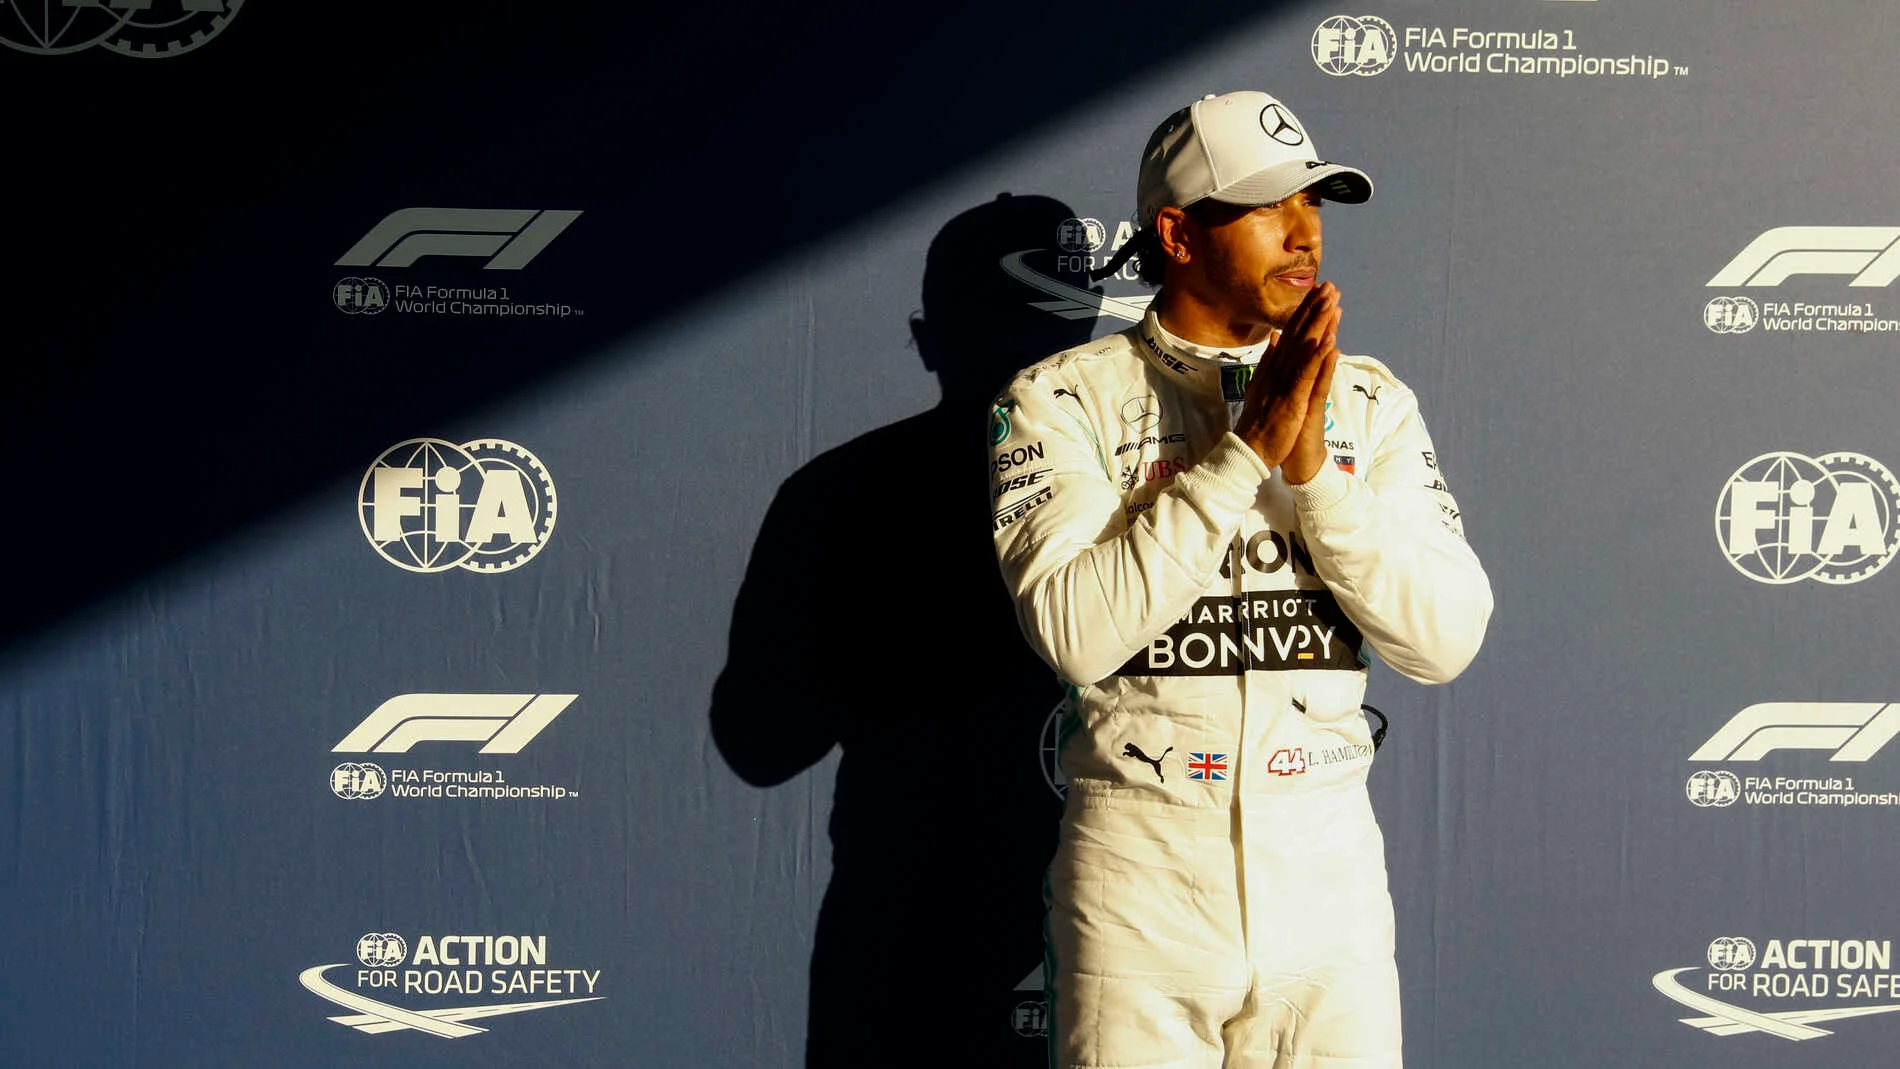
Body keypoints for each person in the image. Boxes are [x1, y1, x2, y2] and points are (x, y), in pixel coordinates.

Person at [987, 90, 1493, 1068]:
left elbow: (1443, 642)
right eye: (1267, 206)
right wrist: (1241, 454)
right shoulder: (1060, 400)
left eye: (1316, 204)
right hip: (1138, 890)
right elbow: (1074, 634)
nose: (1304, 233)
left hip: (1330, 896)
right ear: (1176, 233)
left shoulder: (1370, 401)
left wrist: (1313, 476)